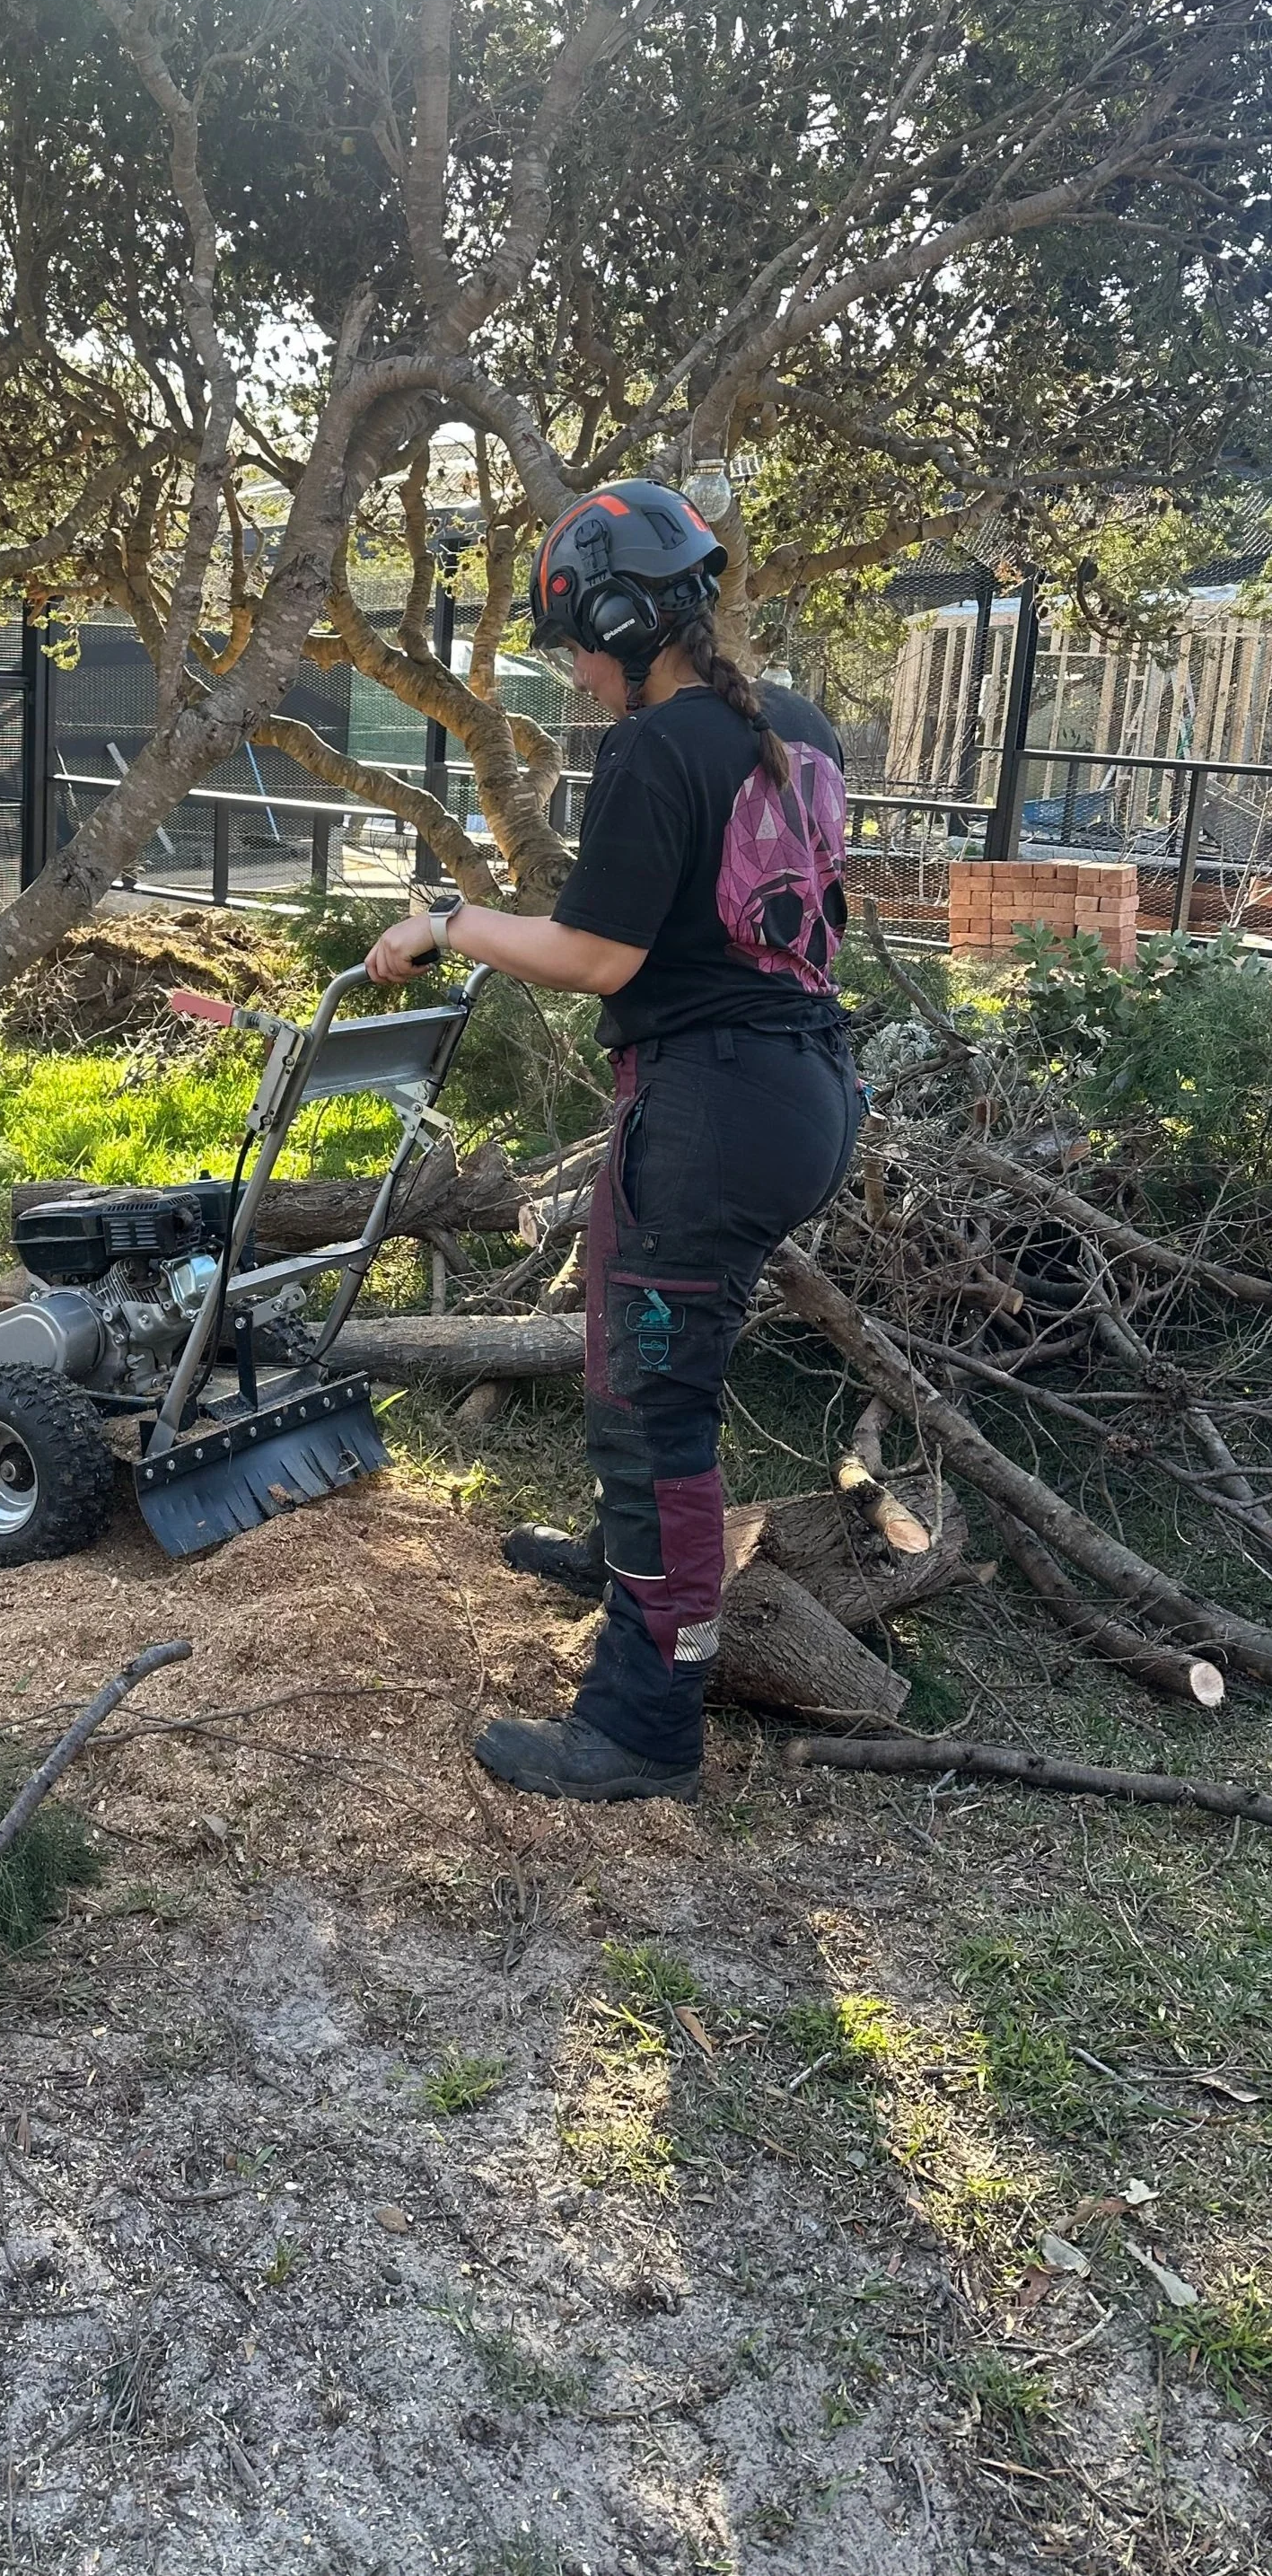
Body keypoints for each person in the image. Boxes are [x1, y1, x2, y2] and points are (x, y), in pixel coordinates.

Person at [364, 479, 863, 1806]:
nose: (574, 673)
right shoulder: (794, 729)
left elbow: (593, 954)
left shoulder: (655, 748)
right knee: (634, 1349)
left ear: (632, 618)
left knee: (653, 1407)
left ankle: (642, 1723)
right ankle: (624, 1550)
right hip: (804, 1087)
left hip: (709, 1108)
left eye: (575, 642)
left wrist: (445, 924)